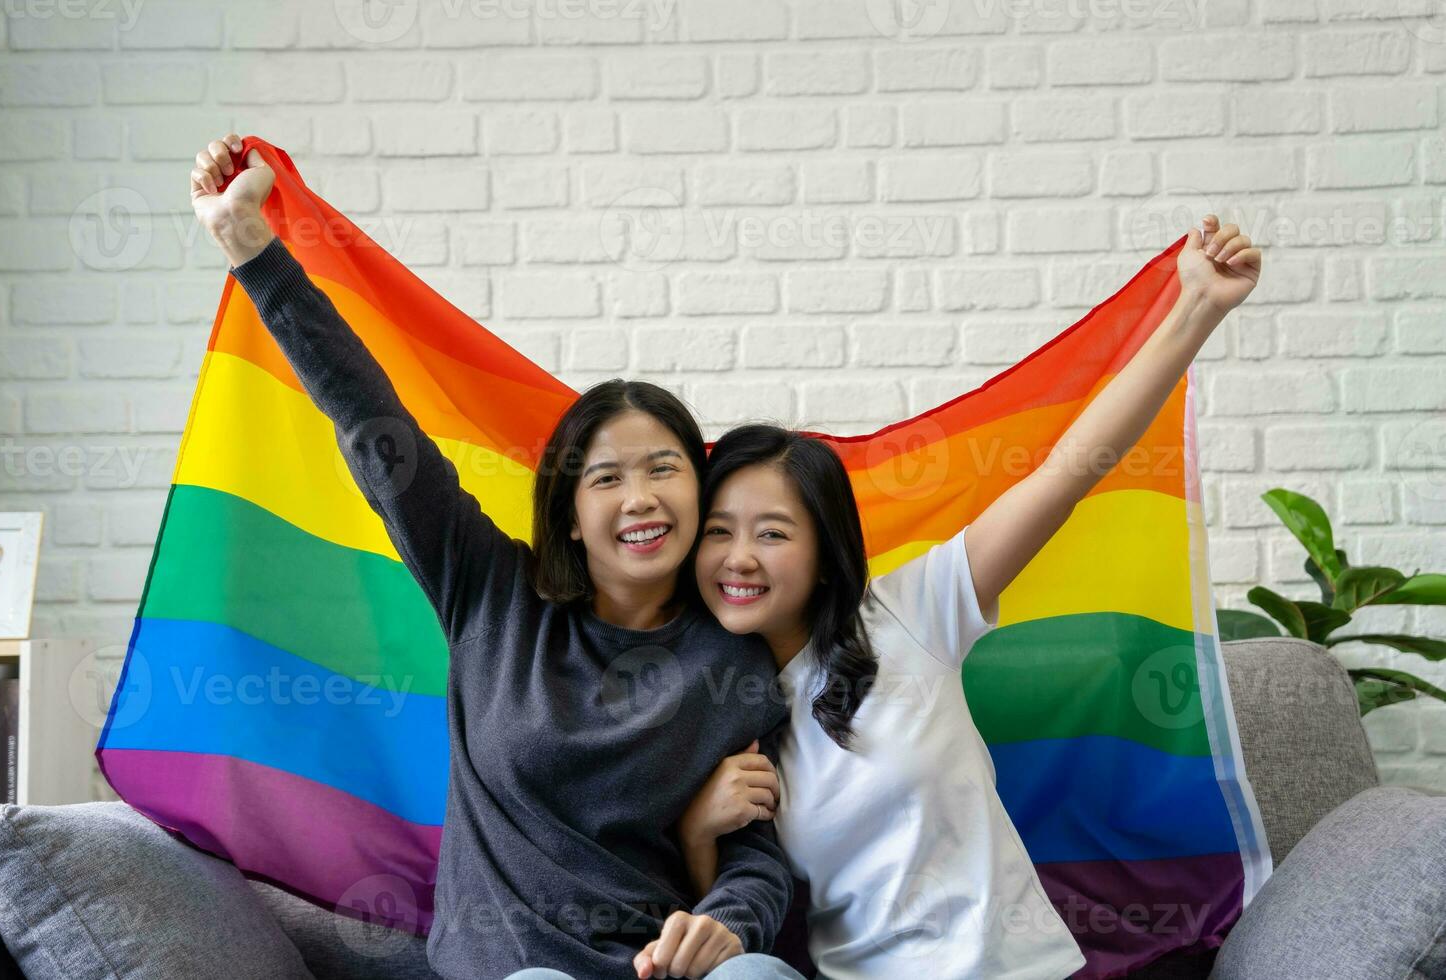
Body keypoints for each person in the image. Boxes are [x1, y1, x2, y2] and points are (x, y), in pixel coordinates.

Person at [189, 133, 809, 980]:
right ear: (571, 511)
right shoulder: (493, 594)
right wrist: (253, 252)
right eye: (608, 479)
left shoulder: (731, 655)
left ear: (700, 496)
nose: (640, 498)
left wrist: (731, 924)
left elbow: (758, 857)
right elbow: (378, 430)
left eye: (665, 469)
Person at [677, 216, 1261, 978]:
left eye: (774, 534)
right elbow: (730, 935)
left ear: (826, 556)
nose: (739, 558)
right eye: (718, 532)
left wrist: (1198, 311)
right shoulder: (708, 713)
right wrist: (696, 832)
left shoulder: (908, 615)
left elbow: (1069, 471)